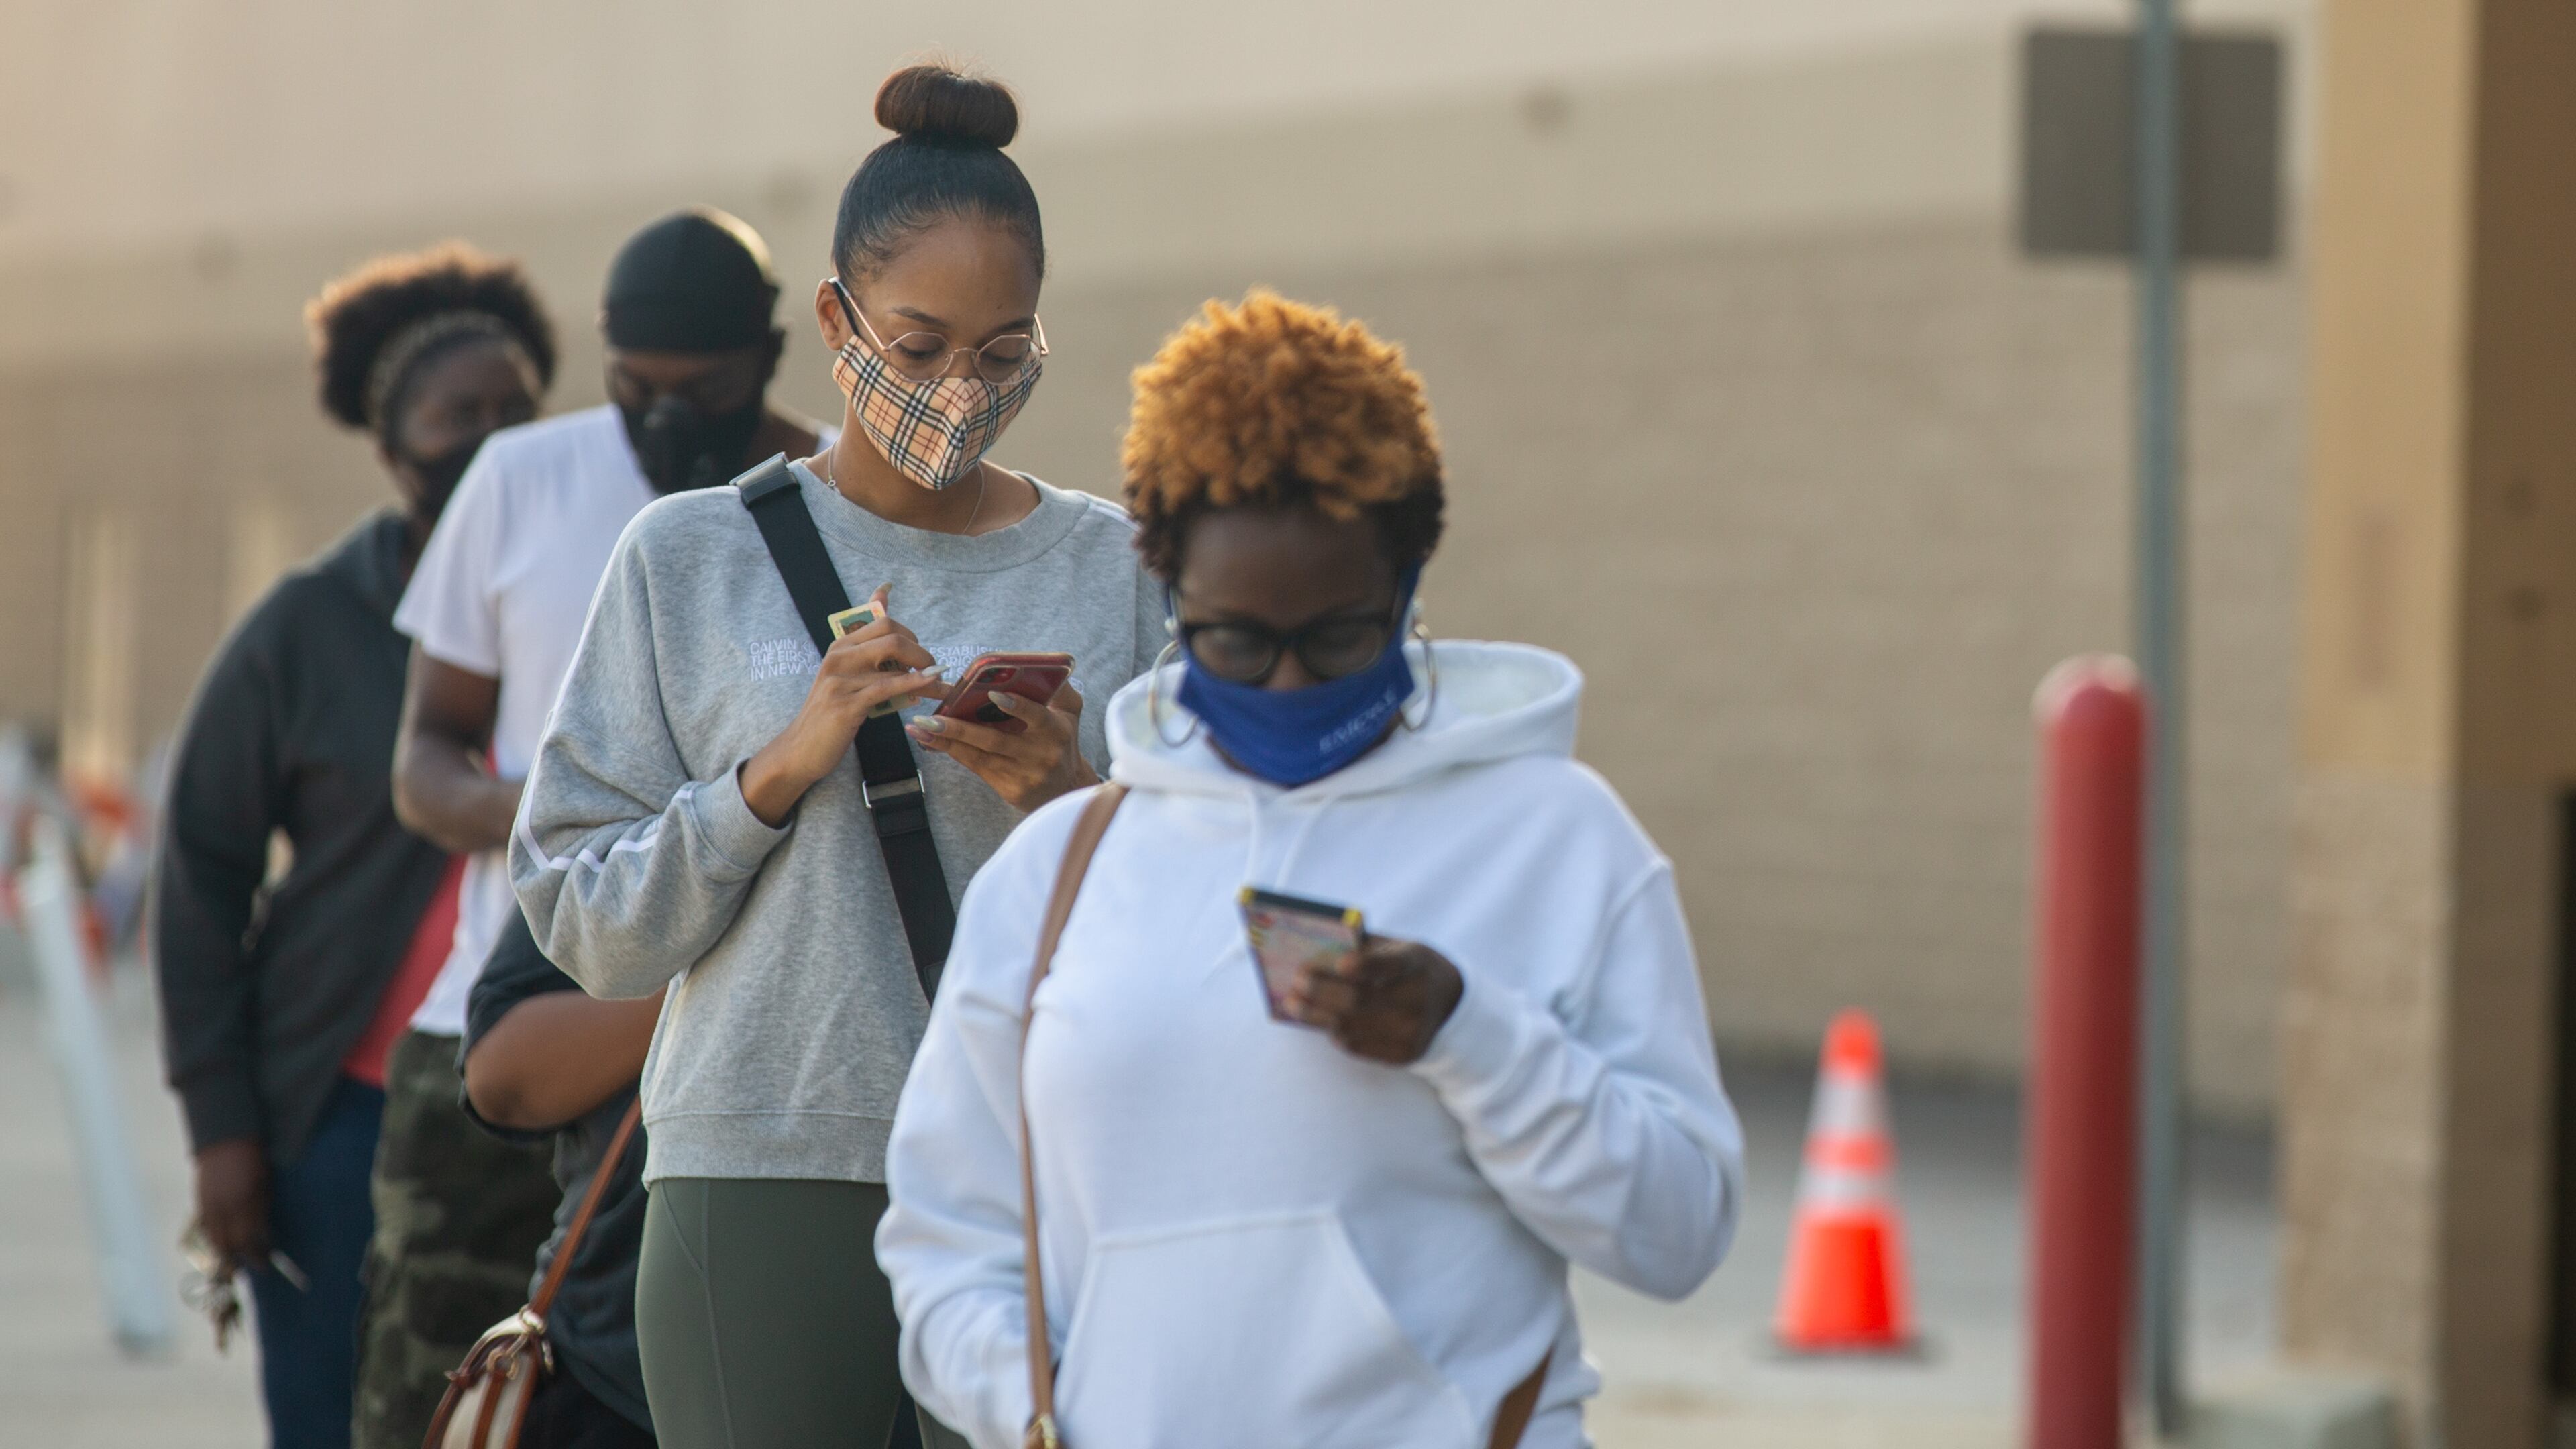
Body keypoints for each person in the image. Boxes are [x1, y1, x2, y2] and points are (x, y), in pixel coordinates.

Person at [876, 292, 1748, 1448]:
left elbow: (1680, 1231)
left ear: (1409, 581)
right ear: (1168, 584)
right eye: (1237, 640)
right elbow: (947, 1240)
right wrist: (1052, 1415)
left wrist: (1471, 1037)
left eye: (1337, 639)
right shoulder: (1060, 874)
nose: (1287, 685)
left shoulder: (1556, 836)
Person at [513, 64, 1164, 1449]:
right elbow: (582, 919)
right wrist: (777, 770)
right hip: (765, 1167)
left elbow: (1196, 901)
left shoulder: (1112, 566)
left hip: (1042, 1165)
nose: (955, 392)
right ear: (834, 320)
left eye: (1000, 356)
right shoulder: (689, 556)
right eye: (918, 347)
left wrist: (1069, 798)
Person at [364, 205, 830, 1449]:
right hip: (517, 1003)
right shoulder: (524, 480)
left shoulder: (842, 498)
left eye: (705, 388)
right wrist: (595, 817)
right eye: (634, 389)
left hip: (756, 1063)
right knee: (451, 1398)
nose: (665, 420)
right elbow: (423, 760)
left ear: (774, 351)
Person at [151, 244, 555, 1449]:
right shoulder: (308, 626)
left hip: (539, 1101)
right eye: (458, 417)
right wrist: (224, 1132)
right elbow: (199, 878)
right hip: (340, 1120)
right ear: (392, 450)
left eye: (517, 415)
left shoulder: (591, 593)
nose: (491, 443)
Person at [458, 912, 659, 1448]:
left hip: (882, 1357)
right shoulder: (643, 825)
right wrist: (709, 985)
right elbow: (499, 1073)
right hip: (611, 1363)